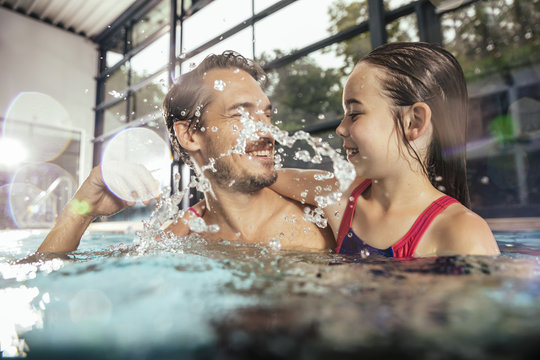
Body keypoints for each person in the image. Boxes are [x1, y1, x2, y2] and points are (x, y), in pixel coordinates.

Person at [37, 51, 334, 253]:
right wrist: (79, 211)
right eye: (241, 114)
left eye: (266, 114)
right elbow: (45, 282)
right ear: (190, 135)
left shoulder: (325, 214)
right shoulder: (179, 238)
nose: (267, 130)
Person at [270, 42, 500, 258]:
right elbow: (265, 176)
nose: (340, 129)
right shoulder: (340, 197)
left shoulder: (462, 232)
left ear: (414, 122)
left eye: (355, 114)